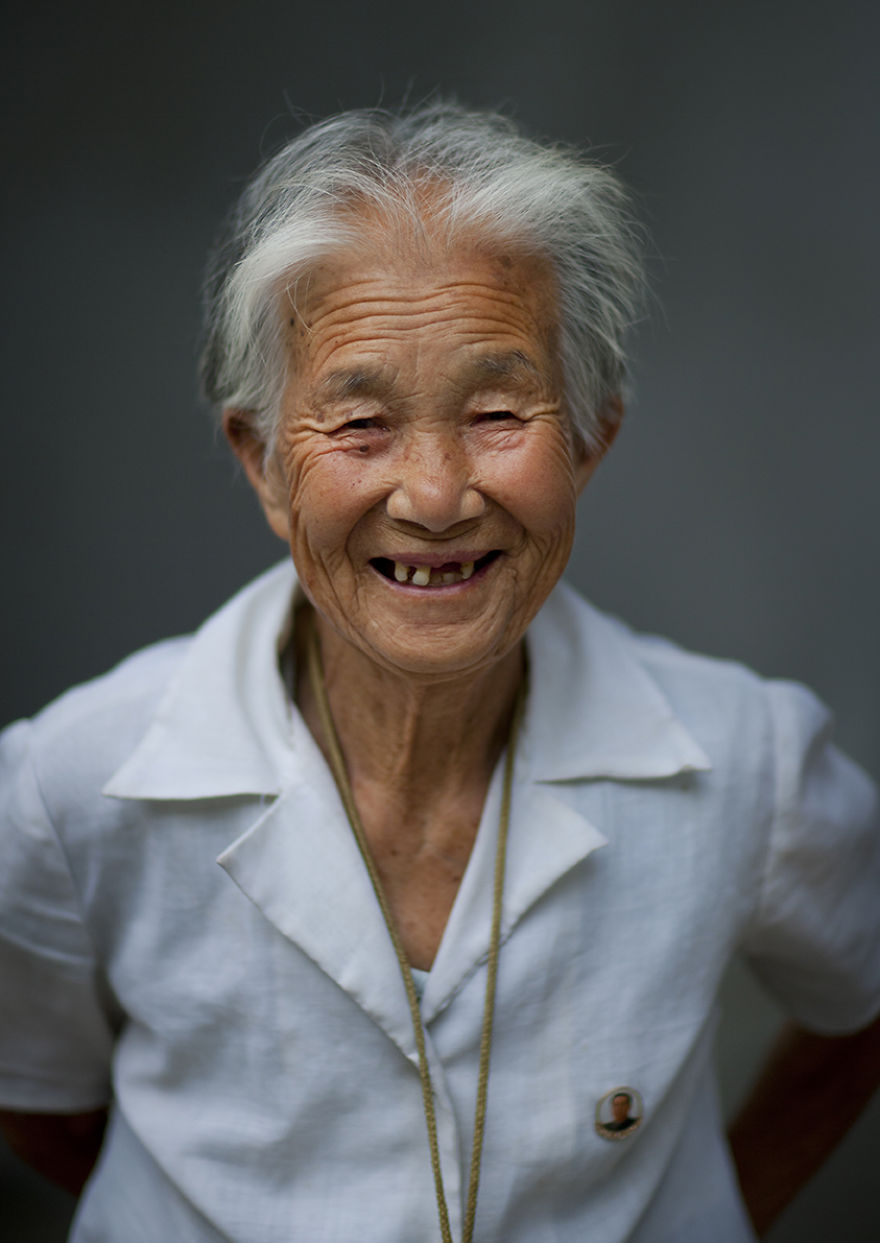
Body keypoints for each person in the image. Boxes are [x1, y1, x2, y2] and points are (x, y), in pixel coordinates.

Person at [1, 102, 879, 1243]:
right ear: (263, 463)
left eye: (499, 410)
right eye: (360, 421)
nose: (432, 493)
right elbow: (39, 1099)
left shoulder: (744, 757)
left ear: (591, 438)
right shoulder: (70, 782)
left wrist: (716, 1208)